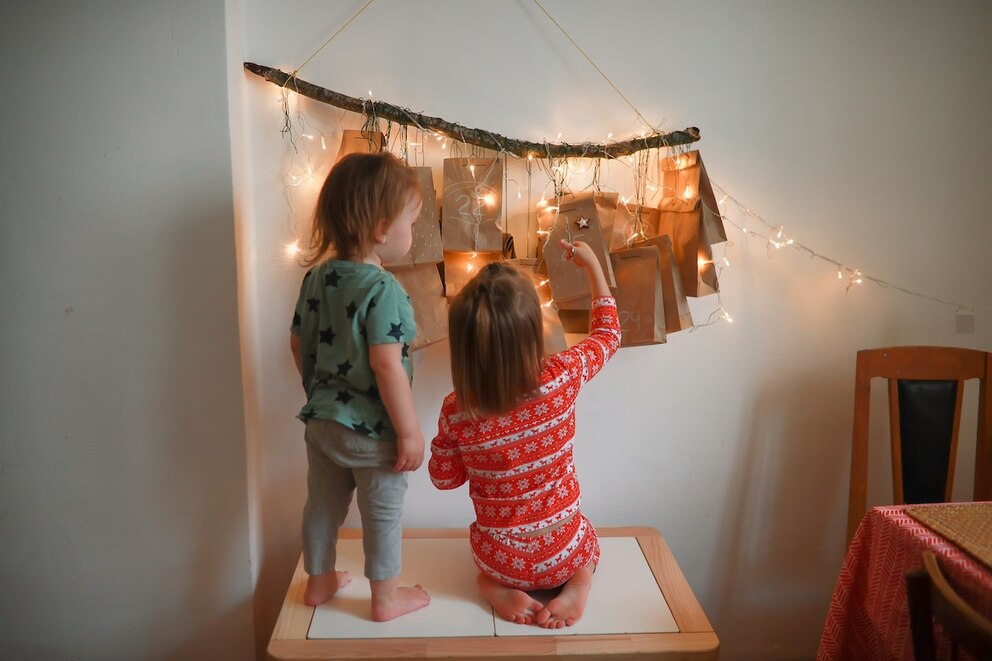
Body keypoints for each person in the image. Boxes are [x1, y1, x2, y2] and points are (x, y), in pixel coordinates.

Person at [428, 240, 621, 628]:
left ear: (463, 350)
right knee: (588, 544)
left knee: (484, 565)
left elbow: (443, 479)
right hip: (562, 549)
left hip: (500, 559)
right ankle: (578, 582)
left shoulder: (457, 410)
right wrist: (594, 267)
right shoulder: (562, 375)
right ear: (534, 332)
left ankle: (493, 586)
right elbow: (609, 335)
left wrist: (461, 447)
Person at [290, 152, 430, 621]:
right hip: (373, 433)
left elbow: (297, 343)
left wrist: (318, 394)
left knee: (323, 503)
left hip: (322, 423)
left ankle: (318, 580)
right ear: (381, 229)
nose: (412, 235)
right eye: (411, 223)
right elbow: (387, 366)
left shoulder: (315, 279)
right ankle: (385, 599)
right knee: (382, 513)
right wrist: (408, 433)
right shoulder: (382, 287)